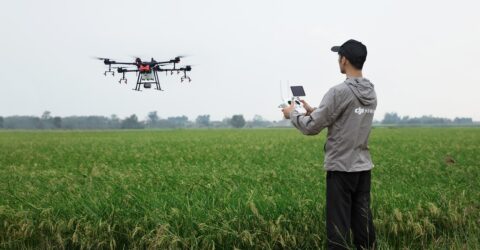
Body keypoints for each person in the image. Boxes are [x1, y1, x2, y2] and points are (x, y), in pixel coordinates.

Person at [282, 39, 377, 250]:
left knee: (338, 229)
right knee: (363, 225)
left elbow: (312, 128)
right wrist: (314, 110)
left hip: (341, 169)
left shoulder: (339, 92)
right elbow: (345, 116)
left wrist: (293, 114)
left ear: (344, 60)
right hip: (362, 167)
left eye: (338, 57)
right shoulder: (371, 92)